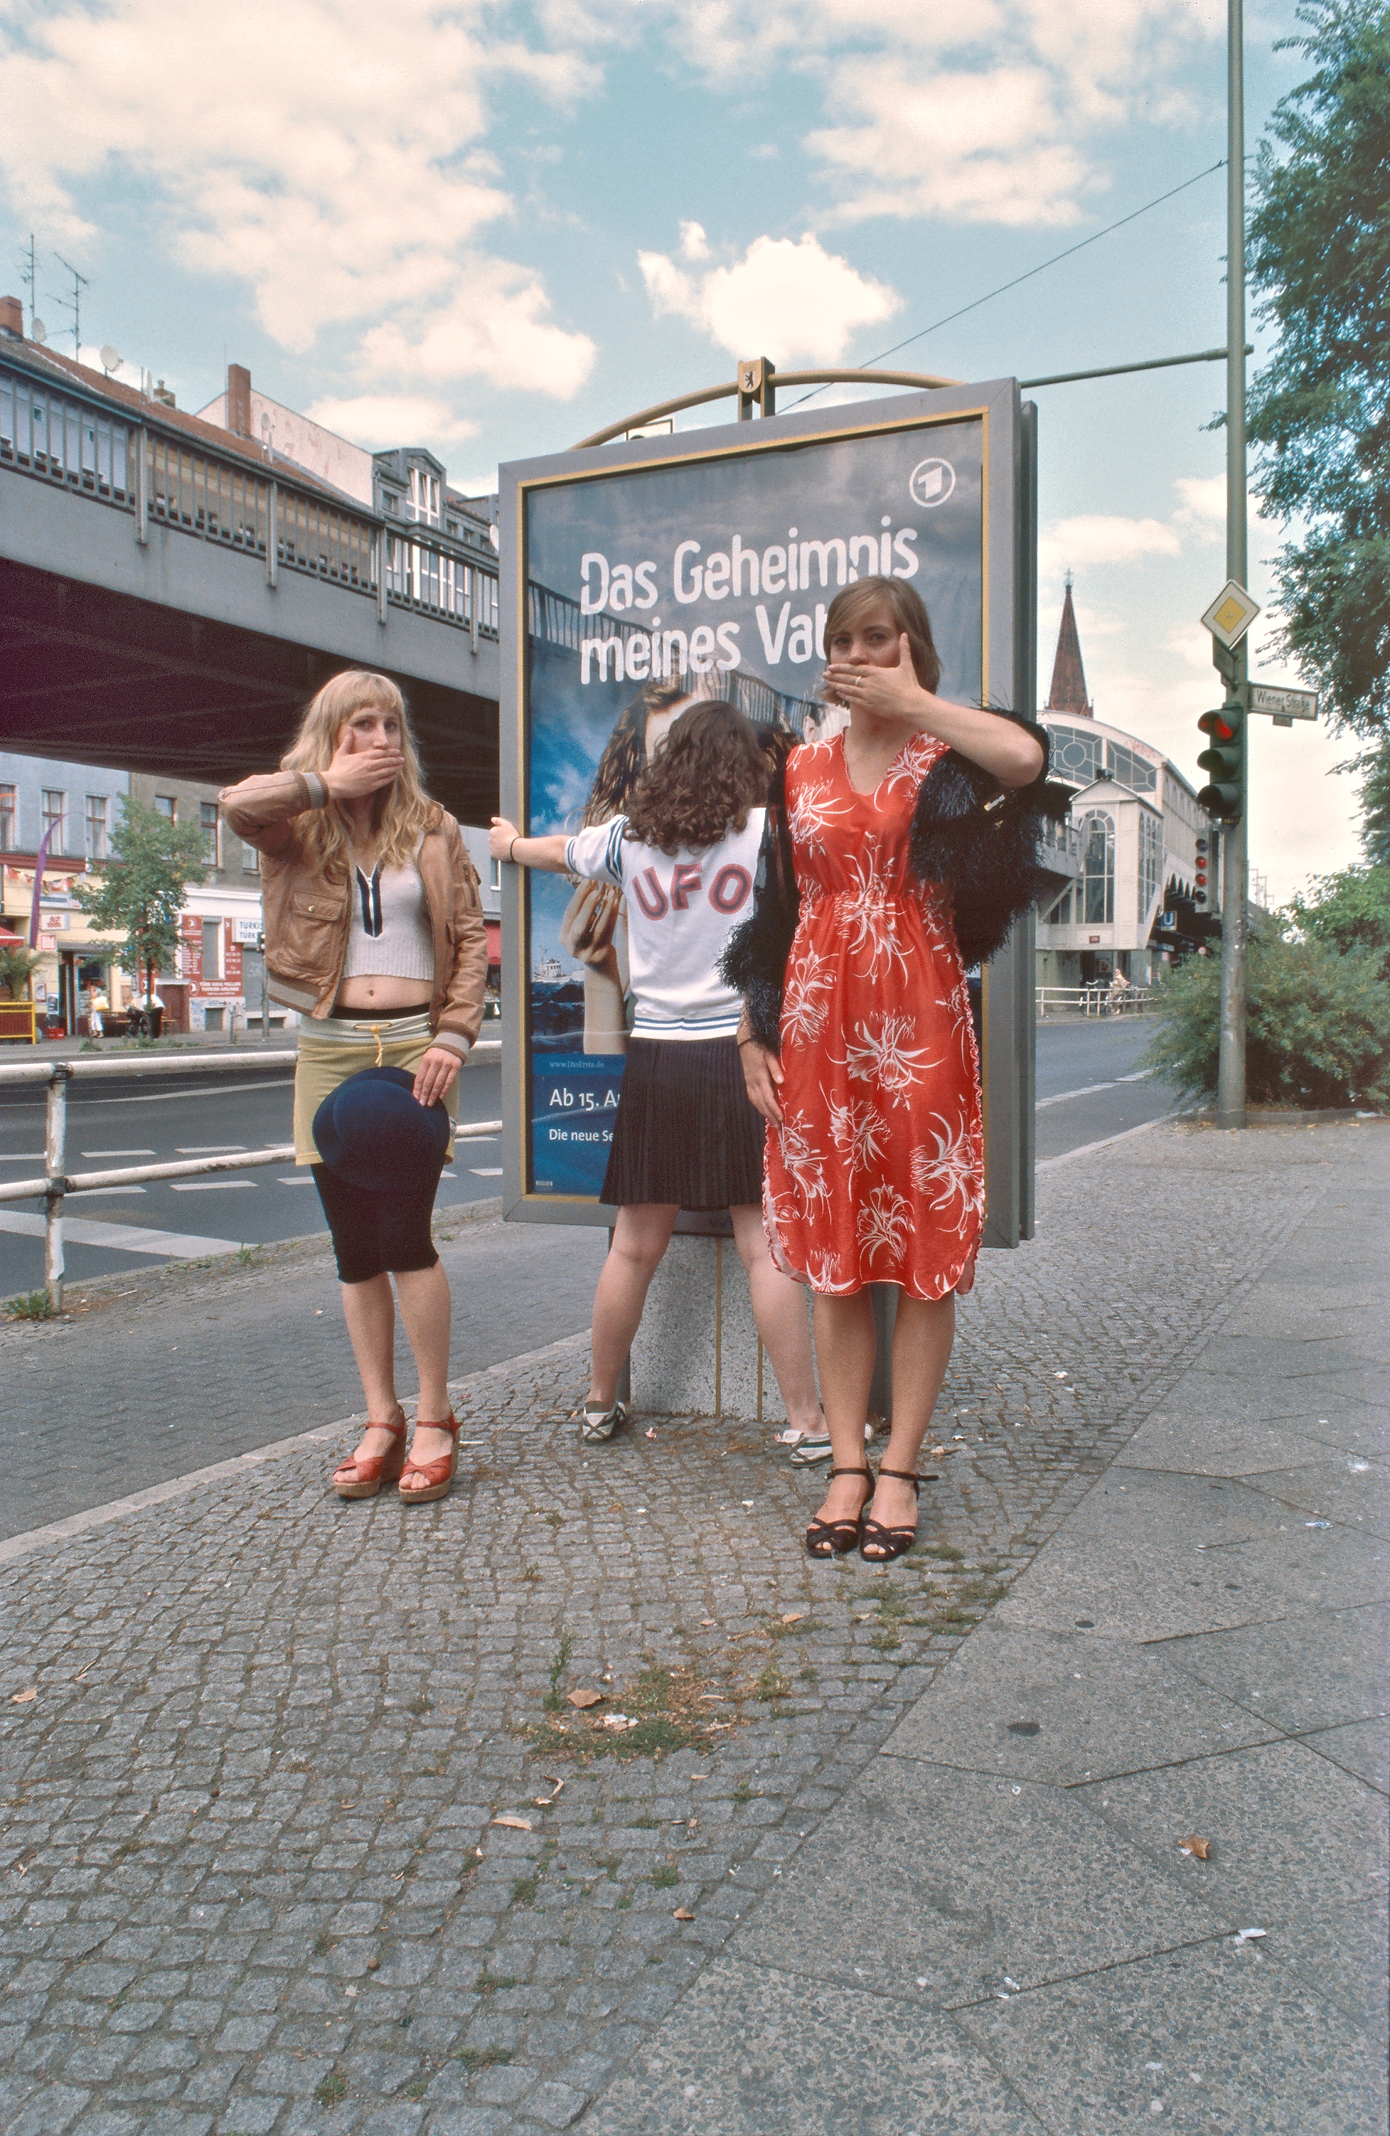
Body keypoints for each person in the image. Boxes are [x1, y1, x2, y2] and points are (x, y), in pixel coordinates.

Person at [729, 577, 1053, 1563]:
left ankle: (901, 1466)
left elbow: (1031, 762)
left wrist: (913, 706)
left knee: (919, 1261)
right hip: (820, 1032)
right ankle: (844, 1464)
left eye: (879, 637)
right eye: (843, 640)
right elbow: (772, 913)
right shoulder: (797, 767)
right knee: (834, 1261)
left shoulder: (945, 758)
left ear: (911, 646)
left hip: (919, 1031)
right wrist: (752, 1031)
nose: (859, 655)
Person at [491, 698, 824, 1450]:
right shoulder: (768, 835)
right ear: (745, 767)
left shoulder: (630, 840)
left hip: (654, 1056)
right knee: (764, 1245)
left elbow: (557, 851)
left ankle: (599, 1401)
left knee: (633, 1247)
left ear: (671, 762)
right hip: (739, 1057)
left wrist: (509, 847)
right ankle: (806, 1422)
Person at [221, 670, 488, 1505]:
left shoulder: (436, 829)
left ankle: (437, 1413)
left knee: (405, 1234)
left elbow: (470, 940)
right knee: (352, 1247)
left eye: (391, 727)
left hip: (417, 1047)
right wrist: (321, 785)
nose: (380, 741)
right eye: (360, 728)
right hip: (328, 1047)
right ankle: (382, 1417)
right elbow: (236, 805)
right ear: (331, 739)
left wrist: (454, 1034)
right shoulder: (294, 824)